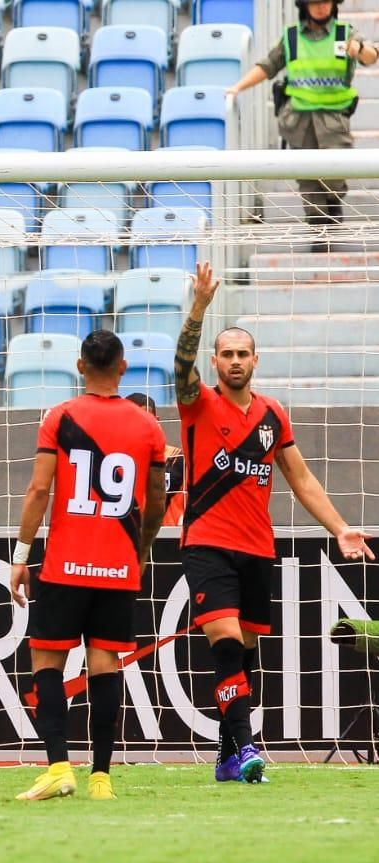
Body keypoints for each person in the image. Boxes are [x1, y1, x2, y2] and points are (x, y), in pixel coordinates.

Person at [175, 263, 372, 783]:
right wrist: (198, 307)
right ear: (214, 361)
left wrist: (339, 528)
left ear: (255, 361)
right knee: (223, 643)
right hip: (206, 543)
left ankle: (225, 758)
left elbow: (301, 477)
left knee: (244, 653)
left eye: (243, 354)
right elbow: (179, 364)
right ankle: (245, 747)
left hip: (257, 547)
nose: (235, 361)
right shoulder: (197, 403)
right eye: (227, 354)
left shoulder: (271, 415)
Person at [8, 331, 169, 802]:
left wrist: (21, 556)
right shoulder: (148, 427)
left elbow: (39, 491)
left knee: (46, 663)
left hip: (64, 566)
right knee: (105, 665)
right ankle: (101, 777)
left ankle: (59, 766)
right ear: (123, 368)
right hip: (117, 567)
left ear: (80, 367)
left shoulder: (59, 418)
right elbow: (157, 500)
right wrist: (138, 552)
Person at [225, 0, 379, 229]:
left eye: (325, 2)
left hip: (333, 119)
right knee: (307, 179)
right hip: (299, 120)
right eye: (314, 3)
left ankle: (333, 202)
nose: (320, 8)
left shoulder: (344, 34)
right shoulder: (292, 37)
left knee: (335, 174)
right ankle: (318, 228)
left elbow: (371, 56)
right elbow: (268, 66)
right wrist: (238, 87)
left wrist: (359, 49)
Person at [126, 392, 186, 526]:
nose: (139, 426)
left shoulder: (179, 459)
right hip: (130, 539)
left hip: (168, 538)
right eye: (133, 420)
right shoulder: (116, 462)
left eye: (146, 418)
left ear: (157, 420)